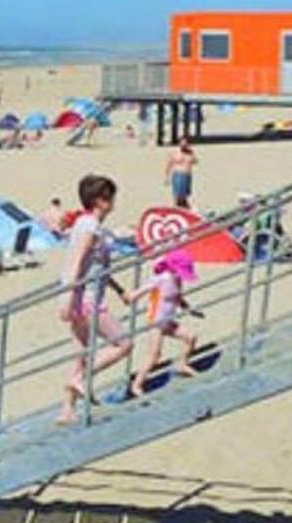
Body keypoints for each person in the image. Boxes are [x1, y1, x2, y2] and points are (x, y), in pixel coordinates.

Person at [58, 175, 132, 421]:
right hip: (86, 298)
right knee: (124, 344)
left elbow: (96, 266)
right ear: (100, 201)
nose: (113, 202)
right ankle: (80, 380)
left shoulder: (86, 224)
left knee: (82, 352)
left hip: (82, 295)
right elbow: (78, 261)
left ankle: (67, 410)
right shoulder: (90, 227)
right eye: (110, 198)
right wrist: (69, 296)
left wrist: (119, 289)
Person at [130, 252, 202, 398]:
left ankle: (182, 364)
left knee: (191, 337)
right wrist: (132, 296)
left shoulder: (177, 279)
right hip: (156, 321)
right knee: (154, 355)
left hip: (168, 320)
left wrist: (188, 309)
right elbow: (142, 290)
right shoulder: (162, 278)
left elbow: (178, 297)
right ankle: (136, 385)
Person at [165, 139, 196, 208]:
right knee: (178, 195)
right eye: (182, 144)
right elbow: (169, 164)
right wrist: (167, 177)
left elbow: (195, 161)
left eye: (185, 144)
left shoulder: (190, 153)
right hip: (178, 175)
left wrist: (190, 152)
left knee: (186, 196)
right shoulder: (175, 153)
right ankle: (175, 207)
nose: (183, 146)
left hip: (187, 176)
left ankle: (187, 209)